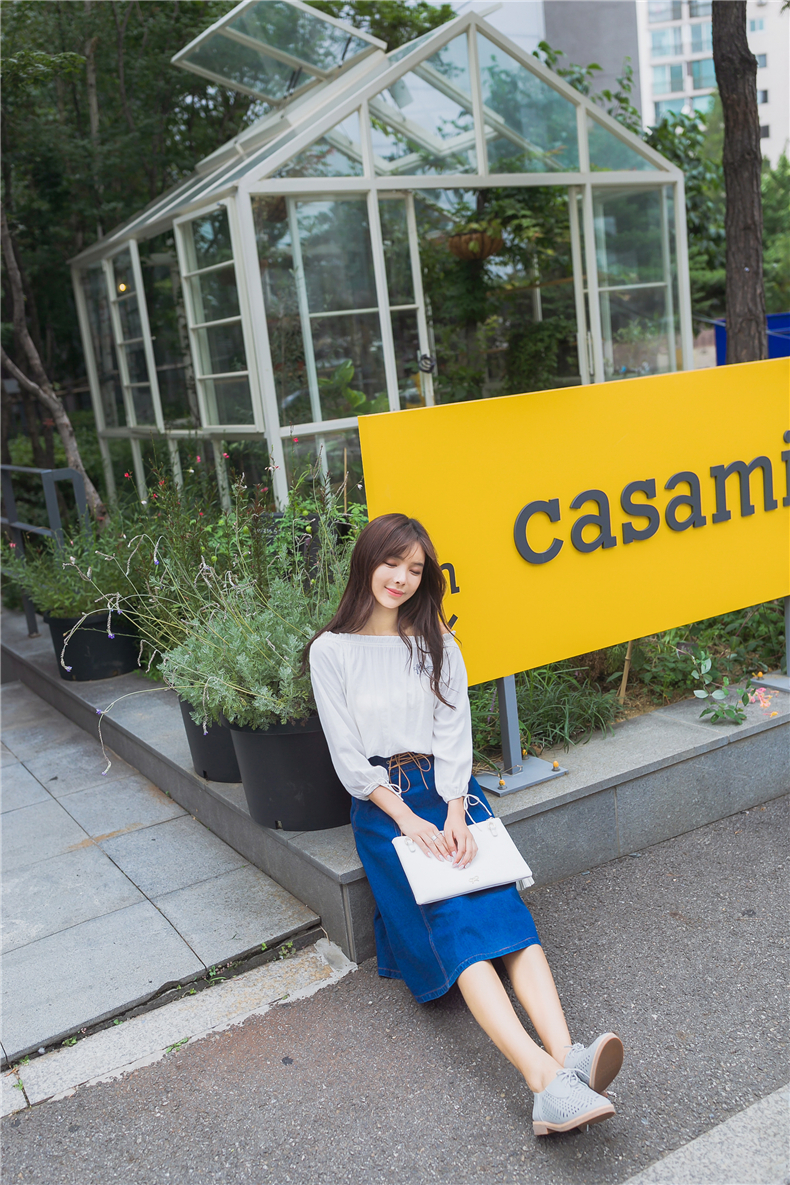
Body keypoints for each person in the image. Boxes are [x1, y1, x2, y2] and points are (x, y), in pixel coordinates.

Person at [306, 513, 623, 1136]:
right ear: (366, 561)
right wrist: (408, 820)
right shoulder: (331, 651)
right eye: (391, 563)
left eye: (414, 569)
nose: (400, 578)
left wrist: (455, 808)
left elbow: (454, 729)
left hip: (451, 790)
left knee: (501, 906)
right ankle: (541, 1080)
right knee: (452, 917)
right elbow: (347, 755)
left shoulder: (438, 643)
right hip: (386, 804)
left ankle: (568, 1056)